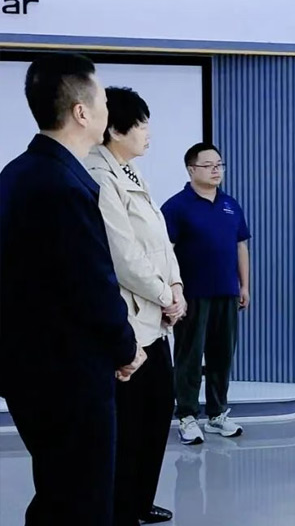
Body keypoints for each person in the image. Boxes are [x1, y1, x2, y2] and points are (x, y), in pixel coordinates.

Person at [0, 53, 146, 526]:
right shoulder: (62, 184)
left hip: (32, 368)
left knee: (58, 492)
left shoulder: (19, 172)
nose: (107, 109)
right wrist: (125, 347)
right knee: (81, 501)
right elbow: (90, 285)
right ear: (82, 112)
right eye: (102, 99)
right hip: (67, 374)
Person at [84, 87, 185, 525]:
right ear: (114, 128)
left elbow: (160, 240)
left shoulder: (131, 171)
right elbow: (123, 255)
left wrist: (176, 285)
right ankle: (122, 507)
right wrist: (165, 296)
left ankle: (141, 500)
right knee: (130, 423)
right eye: (141, 125)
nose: (148, 133)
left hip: (156, 318)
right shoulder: (99, 174)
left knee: (159, 411)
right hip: (131, 321)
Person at [161, 143, 251, 444]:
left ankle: (217, 414)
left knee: (221, 355)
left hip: (226, 292)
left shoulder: (230, 205)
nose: (216, 170)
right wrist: (172, 292)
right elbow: (165, 252)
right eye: (208, 165)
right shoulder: (176, 206)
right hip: (192, 295)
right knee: (188, 356)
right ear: (191, 169)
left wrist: (244, 285)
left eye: (219, 164)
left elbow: (241, 246)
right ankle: (187, 416)